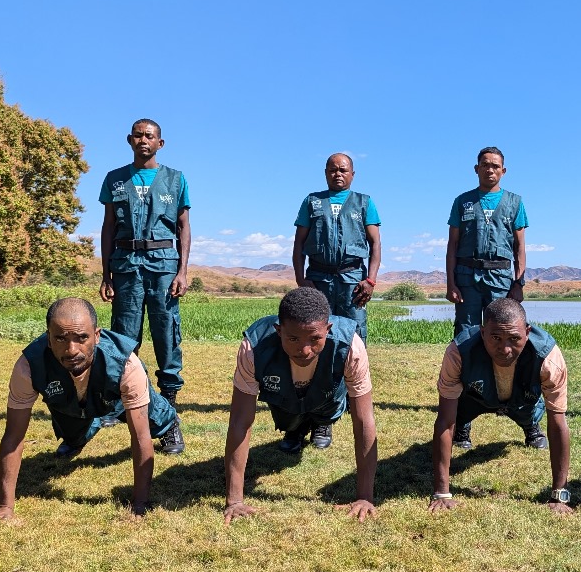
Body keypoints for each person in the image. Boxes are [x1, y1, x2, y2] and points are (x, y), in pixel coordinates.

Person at [0, 298, 183, 522]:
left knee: (155, 417)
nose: (71, 350)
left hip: (115, 396)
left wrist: (139, 503)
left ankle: (169, 423)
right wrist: (4, 507)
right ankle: (92, 421)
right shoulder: (28, 366)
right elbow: (13, 436)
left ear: (97, 336)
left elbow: (140, 436)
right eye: (60, 338)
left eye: (82, 338)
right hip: (70, 402)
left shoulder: (126, 364)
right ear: (48, 338)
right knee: (72, 436)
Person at [222, 287, 378, 523]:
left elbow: (364, 420)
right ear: (278, 330)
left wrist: (365, 497)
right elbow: (240, 421)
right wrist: (234, 501)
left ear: (328, 330)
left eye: (315, 339)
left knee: (325, 413)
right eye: (293, 339)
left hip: (328, 399)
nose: (304, 350)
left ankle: (322, 424)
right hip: (284, 401)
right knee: (290, 421)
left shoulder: (351, 347)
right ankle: (295, 429)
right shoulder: (254, 347)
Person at [429, 298, 573, 514]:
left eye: (514, 338)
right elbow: (444, 420)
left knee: (530, 414)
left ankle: (531, 427)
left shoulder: (548, 357)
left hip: (523, 400)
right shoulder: (458, 351)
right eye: (495, 337)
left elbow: (558, 423)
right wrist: (441, 493)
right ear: (482, 332)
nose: (505, 349)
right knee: (457, 416)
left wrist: (559, 495)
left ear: (527, 332)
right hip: (475, 397)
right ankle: (463, 427)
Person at [98, 118, 191, 446]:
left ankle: (168, 401)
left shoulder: (176, 179)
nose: (143, 140)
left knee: (166, 333)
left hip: (164, 266)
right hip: (125, 264)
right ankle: (120, 400)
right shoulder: (114, 179)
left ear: (159, 143)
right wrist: (106, 273)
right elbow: (108, 227)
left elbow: (184, 227)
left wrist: (182, 271)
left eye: (149, 136)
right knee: (124, 335)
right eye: (138, 135)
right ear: (129, 140)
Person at [292, 153, 382, 341]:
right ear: (325, 173)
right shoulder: (311, 201)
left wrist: (371, 281)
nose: (338, 174)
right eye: (333, 170)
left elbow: (375, 243)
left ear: (352, 174)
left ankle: (354, 362)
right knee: (316, 330)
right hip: (317, 280)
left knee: (355, 332)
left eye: (343, 170)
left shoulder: (364, 202)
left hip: (353, 281)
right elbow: (299, 243)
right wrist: (300, 279)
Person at [445, 146, 528, 337]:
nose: (490, 170)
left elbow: (519, 247)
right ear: (477, 169)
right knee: (466, 333)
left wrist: (518, 284)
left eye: (495, 166)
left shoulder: (515, 202)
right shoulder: (462, 201)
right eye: (485, 165)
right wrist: (451, 284)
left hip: (500, 280)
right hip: (466, 279)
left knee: (500, 331)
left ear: (503, 171)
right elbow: (452, 245)